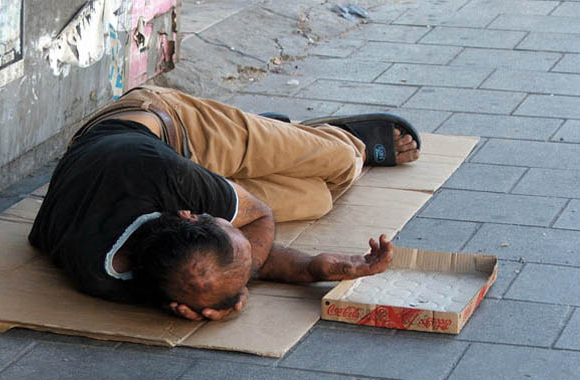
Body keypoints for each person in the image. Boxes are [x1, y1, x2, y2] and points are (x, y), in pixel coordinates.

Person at [29, 85, 420, 321]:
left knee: (340, 164)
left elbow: (259, 219)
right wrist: (311, 268)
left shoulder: (173, 181)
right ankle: (280, 134)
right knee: (315, 197)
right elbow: (216, 270)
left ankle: (345, 138)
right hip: (145, 172)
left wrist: (239, 282)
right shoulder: (117, 278)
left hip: (169, 125)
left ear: (187, 214)